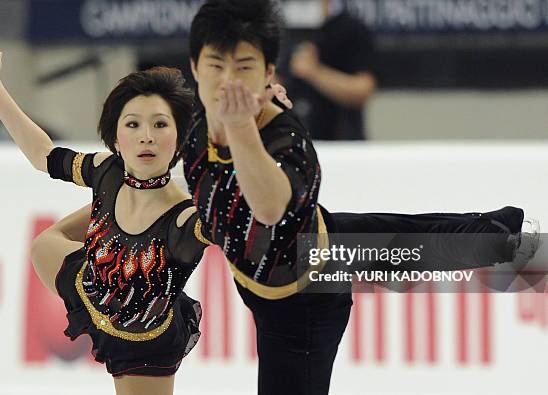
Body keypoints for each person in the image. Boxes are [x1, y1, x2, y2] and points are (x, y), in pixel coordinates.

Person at [182, 1, 537, 394]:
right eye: (216, 65)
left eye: (244, 67)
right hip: (309, 244)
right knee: (410, 241)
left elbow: (268, 208)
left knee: (406, 247)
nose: (229, 81)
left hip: (305, 298)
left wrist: (241, 129)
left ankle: (517, 240)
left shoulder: (286, 139)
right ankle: (504, 234)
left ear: (268, 73)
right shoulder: (194, 126)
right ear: (195, 67)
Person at [0, 37, 209, 395]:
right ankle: (113, 213)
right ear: (114, 135)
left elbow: (244, 232)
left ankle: (116, 216)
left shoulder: (185, 219)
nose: (146, 136)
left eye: (160, 125)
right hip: (93, 292)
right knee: (45, 245)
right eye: (133, 125)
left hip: (145, 339)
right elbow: (43, 155)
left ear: (179, 136)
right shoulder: (106, 170)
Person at [287, 8, 377, 140]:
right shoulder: (279, 29)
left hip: (340, 142)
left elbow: (362, 90)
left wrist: (314, 72)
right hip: (290, 142)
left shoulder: (350, 28)